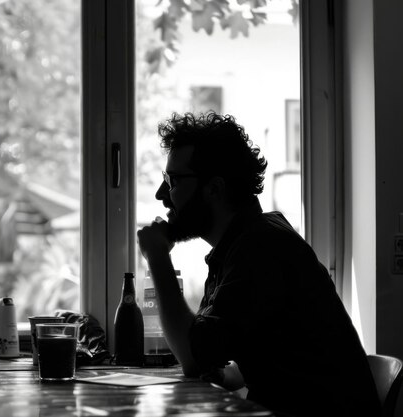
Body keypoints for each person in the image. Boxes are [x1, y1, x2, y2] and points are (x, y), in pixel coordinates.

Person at [136, 112, 380, 417]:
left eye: (172, 181)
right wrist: (228, 375)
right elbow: (261, 346)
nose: (162, 195)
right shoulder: (247, 242)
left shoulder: (261, 248)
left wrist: (158, 257)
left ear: (214, 189)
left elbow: (192, 356)